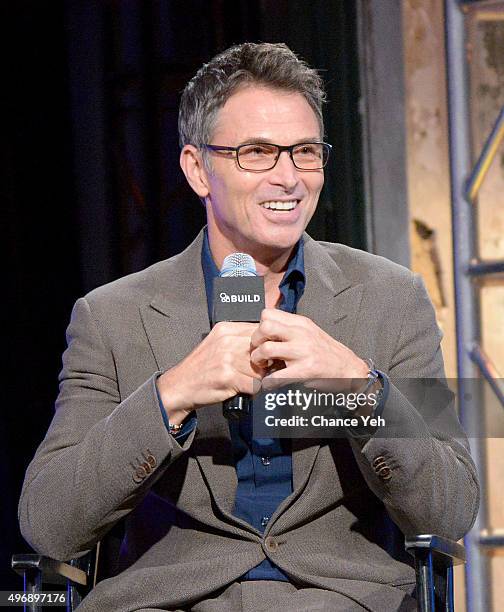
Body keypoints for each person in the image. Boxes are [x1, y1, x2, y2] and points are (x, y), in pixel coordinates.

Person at [19, 42, 479, 612]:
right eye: (258, 152)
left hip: (340, 598)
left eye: (305, 152)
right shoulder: (113, 316)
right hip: (167, 600)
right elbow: (51, 523)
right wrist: (171, 394)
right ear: (197, 169)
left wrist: (363, 390)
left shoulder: (391, 300)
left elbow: (451, 505)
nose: (288, 178)